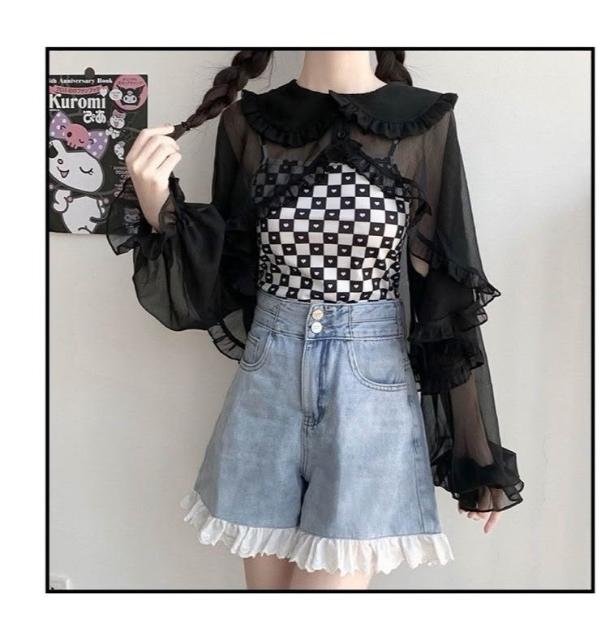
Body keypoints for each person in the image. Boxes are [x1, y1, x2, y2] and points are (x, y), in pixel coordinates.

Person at [106, 50, 524, 590]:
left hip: (368, 394)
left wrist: (477, 455)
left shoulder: (423, 122)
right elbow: (222, 285)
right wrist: (158, 205)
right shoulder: (248, 121)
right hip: (266, 388)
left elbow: (446, 292)